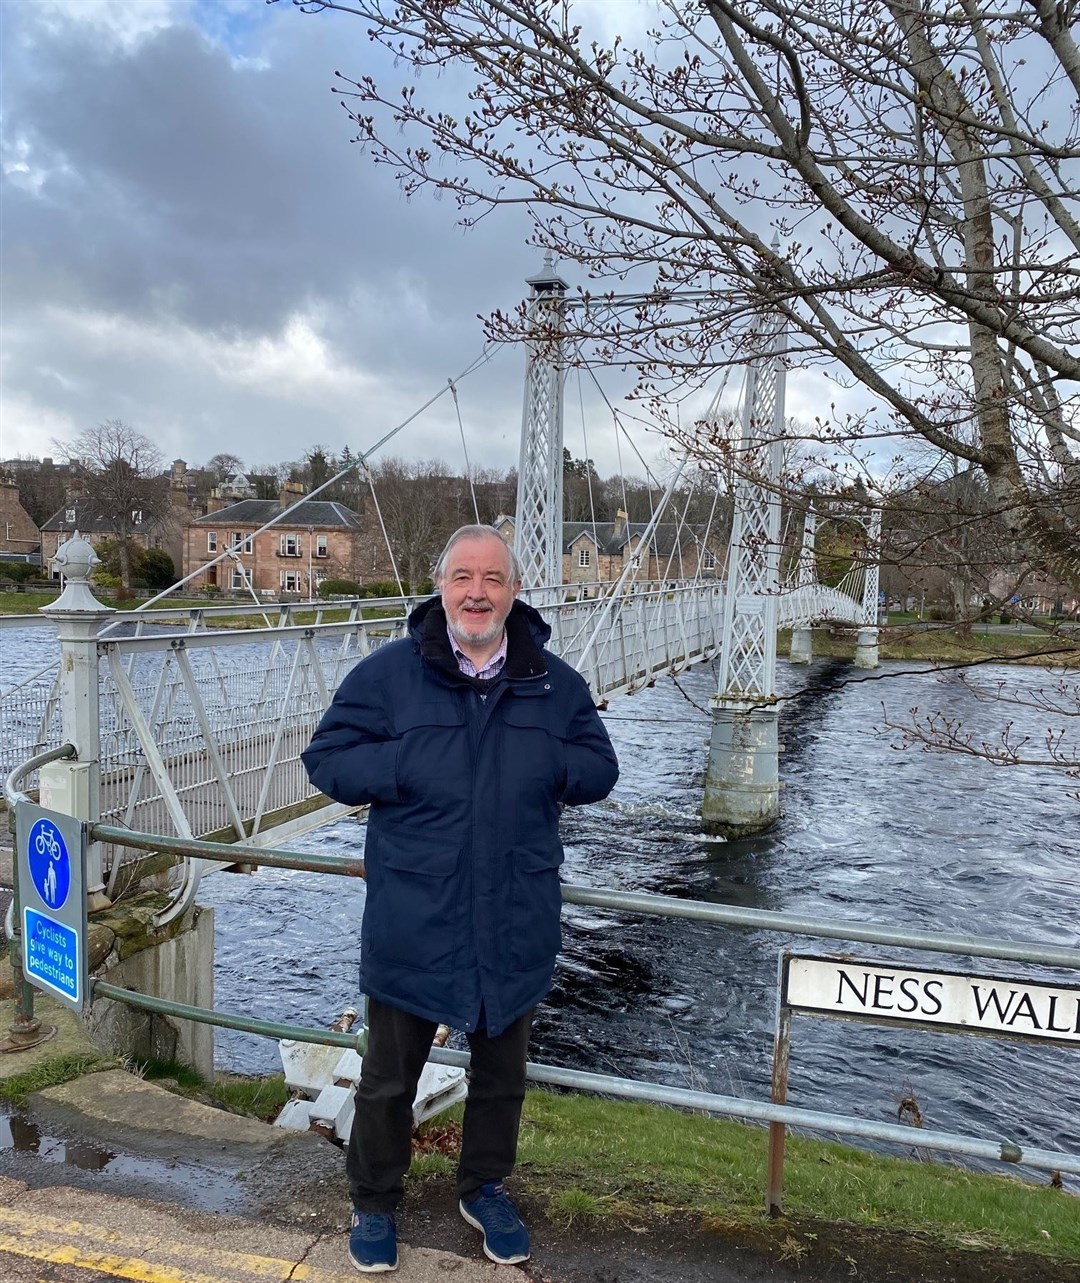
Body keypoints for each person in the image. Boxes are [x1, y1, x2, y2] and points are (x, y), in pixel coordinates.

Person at [302, 524, 619, 1273]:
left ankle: (484, 1186)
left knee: (502, 1076)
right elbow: (327, 758)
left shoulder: (553, 682)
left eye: (493, 579)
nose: (477, 592)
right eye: (463, 577)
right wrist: (407, 757)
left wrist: (544, 763)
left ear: (513, 591)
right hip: (417, 914)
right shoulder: (388, 676)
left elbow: (598, 766)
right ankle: (375, 1200)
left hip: (514, 914)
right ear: (440, 584)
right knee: (387, 1080)